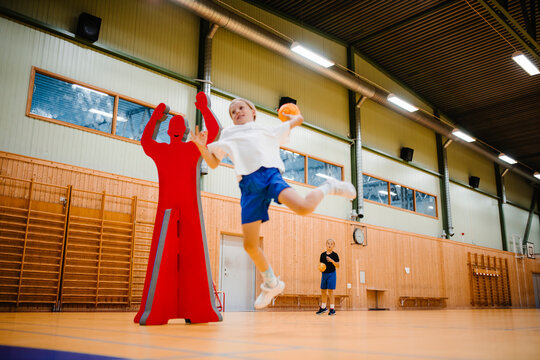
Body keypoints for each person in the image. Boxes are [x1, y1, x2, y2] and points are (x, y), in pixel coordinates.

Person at [190, 97, 356, 309]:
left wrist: (293, 117)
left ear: (253, 112)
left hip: (269, 176)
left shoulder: (265, 131)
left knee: (303, 207)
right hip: (248, 187)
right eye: (232, 112)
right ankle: (272, 283)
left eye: (241, 108)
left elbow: (297, 120)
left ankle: (330, 187)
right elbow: (213, 163)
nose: (237, 112)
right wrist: (201, 146)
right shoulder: (228, 135)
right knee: (249, 245)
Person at [316, 238, 340, 316]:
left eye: (331, 244)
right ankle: (323, 308)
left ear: (334, 246)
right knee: (323, 290)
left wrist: (332, 260)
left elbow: (338, 265)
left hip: (332, 274)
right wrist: (320, 268)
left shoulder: (335, 255)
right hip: (324, 274)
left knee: (330, 291)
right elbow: (321, 265)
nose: (329, 245)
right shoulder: (322, 255)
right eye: (328, 243)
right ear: (326, 245)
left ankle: (332, 309)